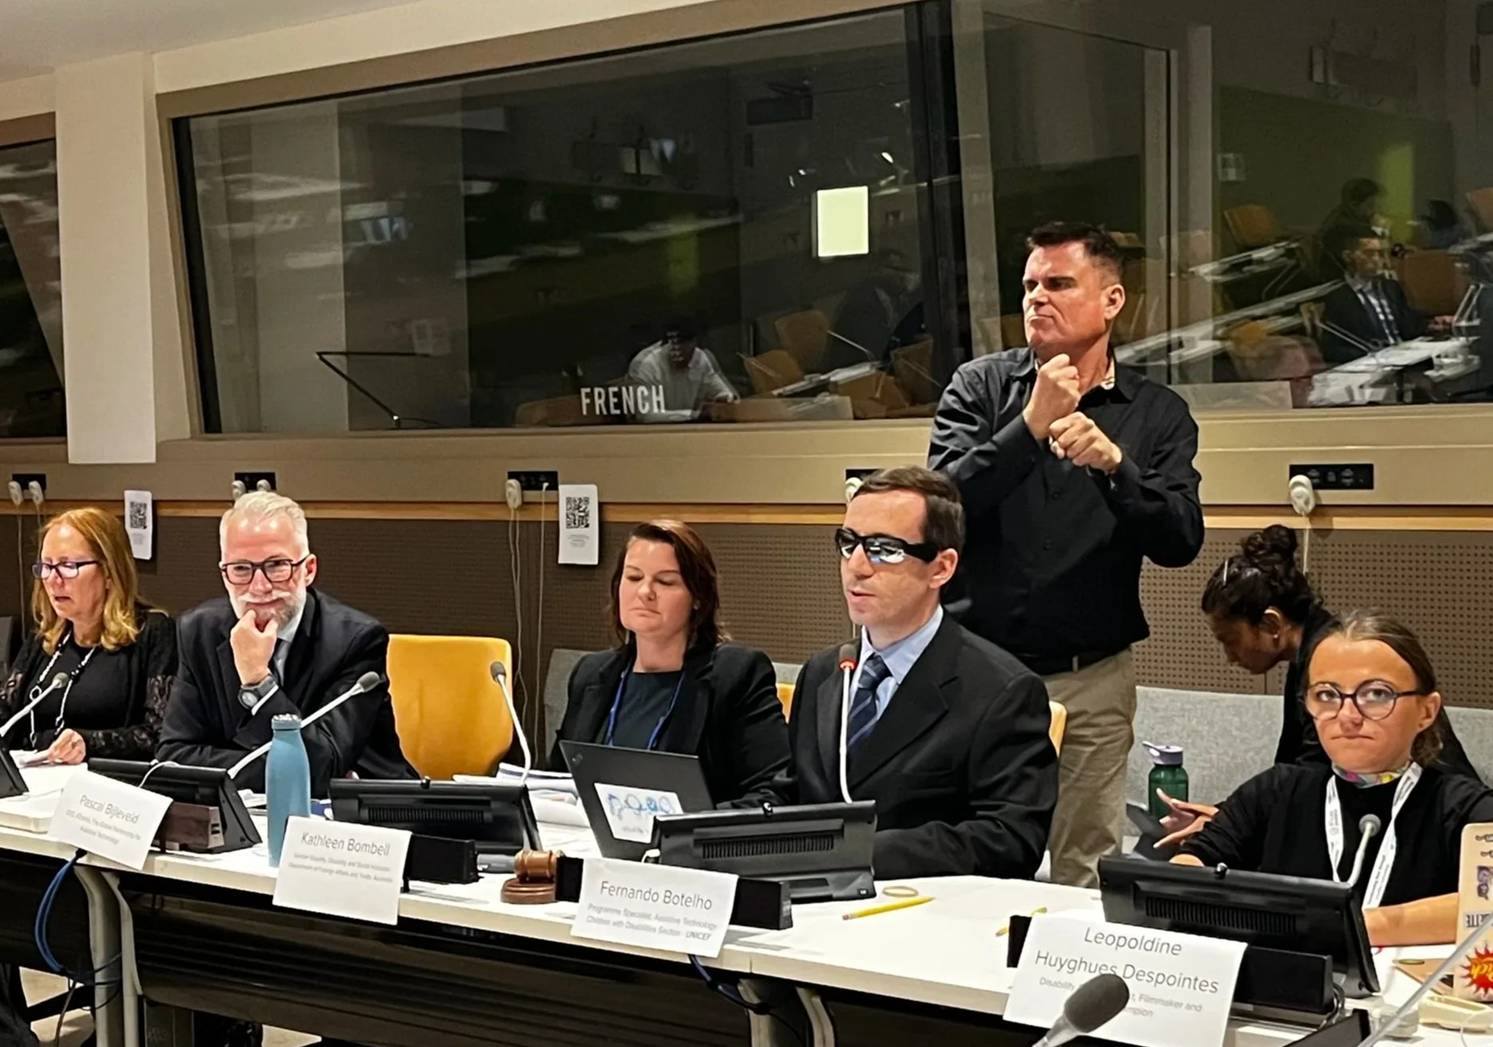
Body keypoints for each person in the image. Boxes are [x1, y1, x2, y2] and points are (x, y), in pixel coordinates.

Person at [927, 220, 1202, 887]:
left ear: (1111, 300)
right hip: (976, 672)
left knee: (1084, 865)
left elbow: (1179, 540)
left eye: (1057, 283)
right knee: (971, 863)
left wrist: (1116, 468)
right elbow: (938, 510)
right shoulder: (980, 388)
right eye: (1027, 285)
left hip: (1090, 677)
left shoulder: (1155, 412)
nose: (1035, 298)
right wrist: (1028, 427)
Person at [762, 466, 1058, 880]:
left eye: (884, 549)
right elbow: (793, 791)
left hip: (925, 914)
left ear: (941, 568)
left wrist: (856, 852)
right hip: (808, 904)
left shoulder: (1000, 690)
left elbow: (1009, 840)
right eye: (849, 544)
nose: (857, 567)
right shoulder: (825, 672)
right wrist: (710, 831)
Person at [1174, 612, 1493, 947]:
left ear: (1427, 712)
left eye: (1376, 695)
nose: (1348, 716)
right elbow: (1184, 871)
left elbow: (1484, 907)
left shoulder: (1461, 807)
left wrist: (1347, 927)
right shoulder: (1276, 791)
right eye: (1327, 695)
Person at [1160, 527, 1481, 848]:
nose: (1229, 657)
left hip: (1429, 829)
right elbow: (1296, 779)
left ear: (1271, 624)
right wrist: (1231, 817)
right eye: (1326, 697)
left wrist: (1233, 817)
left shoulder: (1323, 657)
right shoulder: (1307, 656)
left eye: (1229, 640)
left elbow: (1312, 776)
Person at [158, 491, 413, 794]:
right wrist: (277, 771)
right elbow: (173, 759)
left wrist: (258, 683)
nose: (260, 586)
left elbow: (317, 769)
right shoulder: (198, 631)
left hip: (360, 819)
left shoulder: (355, 641)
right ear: (224, 575)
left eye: (277, 565)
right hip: (247, 817)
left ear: (308, 570)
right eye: (241, 569)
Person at [548, 519, 788, 802]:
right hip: (589, 844)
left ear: (698, 597)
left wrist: (685, 827)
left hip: (690, 844)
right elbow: (557, 783)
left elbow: (775, 793)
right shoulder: (590, 675)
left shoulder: (737, 676)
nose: (645, 592)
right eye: (634, 577)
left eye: (665, 581)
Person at [0, 507, 174, 762]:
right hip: (34, 785)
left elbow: (160, 737)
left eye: (68, 566)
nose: (52, 579)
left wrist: (88, 743)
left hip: (106, 788)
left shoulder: (152, 633)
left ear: (108, 572)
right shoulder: (46, 638)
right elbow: (6, 713)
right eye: (46, 566)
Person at [1319, 223, 1451, 364]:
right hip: (1373, 365)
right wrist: (1369, 353)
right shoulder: (1338, 299)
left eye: (1381, 253)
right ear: (1348, 256)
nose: (1378, 260)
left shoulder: (1390, 288)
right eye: (1369, 253)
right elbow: (1332, 350)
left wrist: (1432, 324)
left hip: (1406, 359)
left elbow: (1409, 327)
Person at [626, 316, 738, 422]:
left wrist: (725, 400)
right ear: (666, 344)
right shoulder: (646, 364)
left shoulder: (700, 358)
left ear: (694, 342)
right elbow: (646, 415)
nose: (679, 353)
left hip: (690, 430)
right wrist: (694, 415)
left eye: (685, 346)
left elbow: (723, 393)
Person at [828, 248, 923, 368]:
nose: (902, 276)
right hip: (855, 370)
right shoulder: (862, 303)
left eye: (906, 271)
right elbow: (880, 348)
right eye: (895, 269)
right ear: (877, 271)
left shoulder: (898, 299)